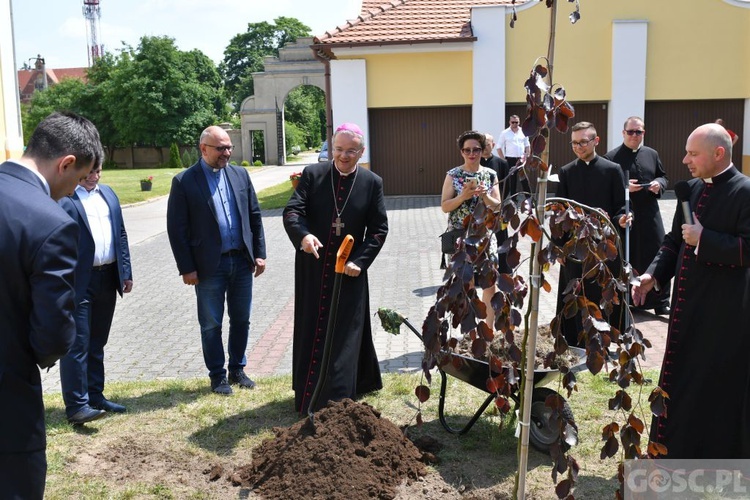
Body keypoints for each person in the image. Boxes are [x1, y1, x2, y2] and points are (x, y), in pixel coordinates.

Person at [0, 111, 102, 500]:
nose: (72, 192)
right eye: (77, 181)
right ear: (67, 164)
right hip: (9, 394)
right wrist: (46, 352)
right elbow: (53, 332)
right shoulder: (50, 222)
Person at [632, 123, 750, 458]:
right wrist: (653, 275)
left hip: (724, 314)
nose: (684, 159)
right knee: (681, 382)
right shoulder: (693, 190)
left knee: (714, 387)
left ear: (718, 153)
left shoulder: (745, 192)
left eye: (692, 153)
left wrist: (706, 241)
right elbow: (674, 242)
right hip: (687, 312)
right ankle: (677, 450)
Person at [283, 123, 389, 413]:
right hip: (313, 265)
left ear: (361, 152)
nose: (343, 156)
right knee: (311, 325)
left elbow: (379, 229)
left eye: (350, 151)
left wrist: (360, 261)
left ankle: (340, 395)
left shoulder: (371, 182)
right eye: (338, 149)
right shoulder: (313, 175)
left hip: (350, 270)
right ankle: (307, 387)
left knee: (346, 330)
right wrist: (303, 235)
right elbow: (293, 210)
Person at [167, 125, 266, 395]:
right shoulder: (185, 181)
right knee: (211, 323)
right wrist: (186, 267)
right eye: (221, 148)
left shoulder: (240, 175)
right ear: (203, 149)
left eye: (229, 147)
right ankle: (217, 375)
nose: (227, 153)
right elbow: (177, 229)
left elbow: (254, 215)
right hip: (209, 266)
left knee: (242, 319)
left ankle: (237, 370)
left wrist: (260, 252)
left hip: (242, 261)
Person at [58, 163, 133, 424]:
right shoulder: (66, 199)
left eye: (98, 170)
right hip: (80, 281)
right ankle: (77, 406)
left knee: (97, 342)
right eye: (89, 171)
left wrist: (126, 272)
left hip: (107, 276)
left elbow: (120, 235)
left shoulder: (109, 194)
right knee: (77, 344)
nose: (93, 176)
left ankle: (95, 396)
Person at [555, 122, 630, 347]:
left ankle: (606, 339)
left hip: (604, 245)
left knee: (603, 292)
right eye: (574, 143)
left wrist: (623, 219)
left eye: (583, 142)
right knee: (577, 292)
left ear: (596, 141)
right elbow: (560, 212)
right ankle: (576, 339)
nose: (578, 147)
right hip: (575, 246)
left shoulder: (612, 170)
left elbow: (621, 207)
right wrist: (559, 245)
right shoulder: (566, 172)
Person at [605, 116, 670, 315]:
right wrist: (626, 189)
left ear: (644, 133)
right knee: (627, 255)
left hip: (650, 214)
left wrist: (659, 183)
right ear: (623, 133)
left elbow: (664, 176)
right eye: (631, 131)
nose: (635, 135)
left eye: (639, 131)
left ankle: (661, 301)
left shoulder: (651, 153)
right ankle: (626, 300)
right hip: (626, 216)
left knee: (658, 253)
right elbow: (607, 189)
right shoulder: (611, 158)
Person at [441, 130, 503, 330]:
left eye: (476, 149)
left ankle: (488, 329)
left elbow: (498, 206)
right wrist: (463, 197)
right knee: (465, 284)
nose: (472, 153)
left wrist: (485, 196)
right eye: (467, 150)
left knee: (489, 284)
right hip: (459, 237)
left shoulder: (490, 174)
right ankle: (470, 330)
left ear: (482, 150)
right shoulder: (453, 175)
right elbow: (445, 206)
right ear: (461, 152)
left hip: (484, 235)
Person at [480, 133, 512, 274]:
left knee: (501, 239)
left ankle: (504, 270)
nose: (485, 147)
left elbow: (507, 187)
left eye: (488, 144)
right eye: (483, 144)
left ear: (493, 145)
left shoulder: (502, 163)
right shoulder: (475, 163)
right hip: (480, 210)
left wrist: (500, 204)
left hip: (498, 208)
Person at [496, 115, 531, 194]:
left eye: (517, 122)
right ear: (509, 122)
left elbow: (527, 145)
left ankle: (529, 198)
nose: (515, 124)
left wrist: (527, 155)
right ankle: (513, 200)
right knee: (512, 181)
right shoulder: (504, 133)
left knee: (524, 179)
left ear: (519, 122)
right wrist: (503, 160)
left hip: (522, 159)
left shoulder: (523, 131)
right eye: (513, 122)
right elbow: (498, 147)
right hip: (510, 159)